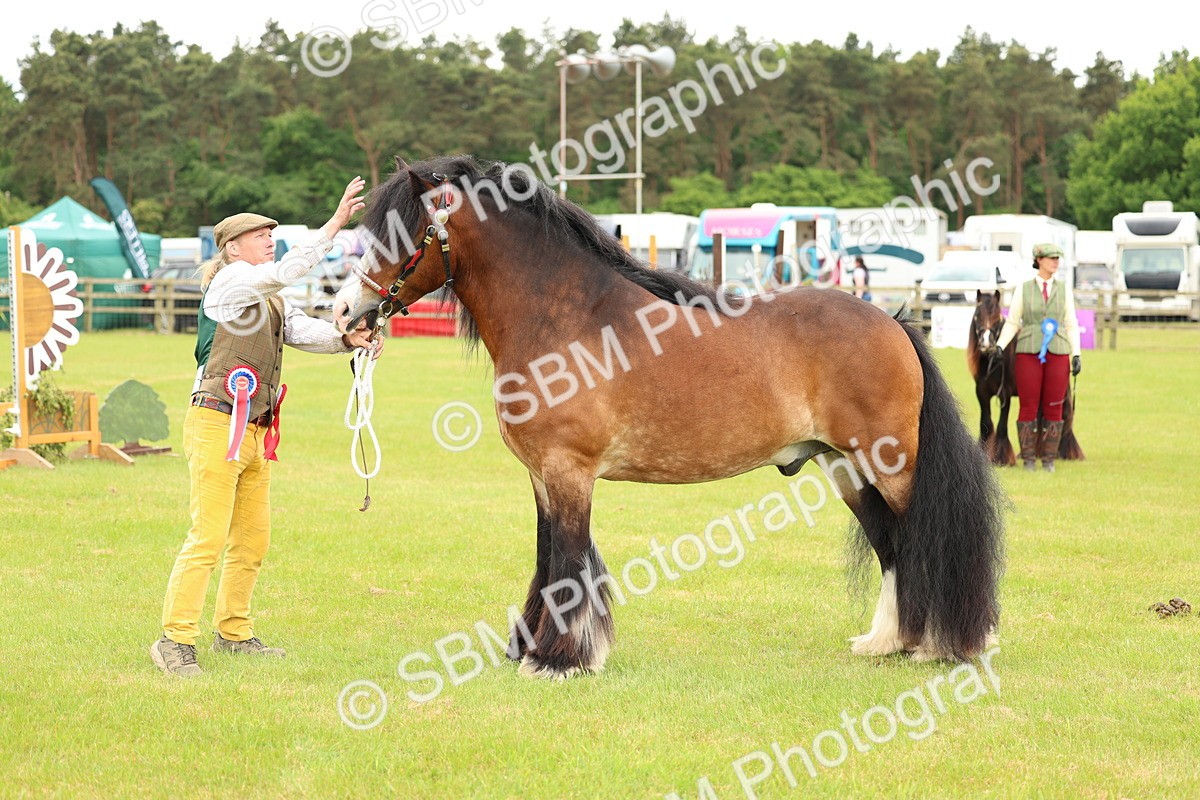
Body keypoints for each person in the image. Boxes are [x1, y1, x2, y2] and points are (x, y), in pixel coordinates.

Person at [151, 177, 380, 677]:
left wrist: (349, 340)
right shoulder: (234, 281)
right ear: (233, 249)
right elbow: (285, 272)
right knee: (207, 538)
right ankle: (174, 641)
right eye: (260, 235)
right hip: (217, 423)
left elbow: (302, 331)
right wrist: (336, 224)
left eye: (270, 233)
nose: (269, 237)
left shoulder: (269, 295)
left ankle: (233, 633)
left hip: (254, 428)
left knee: (252, 542)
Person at [994, 243, 1082, 472]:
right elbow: (1013, 321)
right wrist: (1000, 345)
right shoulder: (1024, 289)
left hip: (1058, 351)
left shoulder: (1064, 290)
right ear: (1039, 260)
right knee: (1028, 405)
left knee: (1054, 405)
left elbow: (1071, 323)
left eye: (1057, 258)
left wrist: (1076, 354)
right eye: (1051, 258)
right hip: (1028, 351)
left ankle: (1049, 460)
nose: (1056, 262)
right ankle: (1029, 459)